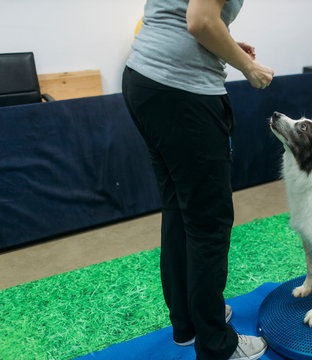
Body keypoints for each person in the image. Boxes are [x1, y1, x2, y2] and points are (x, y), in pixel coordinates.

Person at [121, 0, 274, 359]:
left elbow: (191, 17)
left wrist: (232, 48)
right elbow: (201, 21)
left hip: (147, 81)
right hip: (182, 93)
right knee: (209, 221)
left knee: (179, 208)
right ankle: (217, 345)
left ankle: (188, 322)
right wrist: (248, 66)